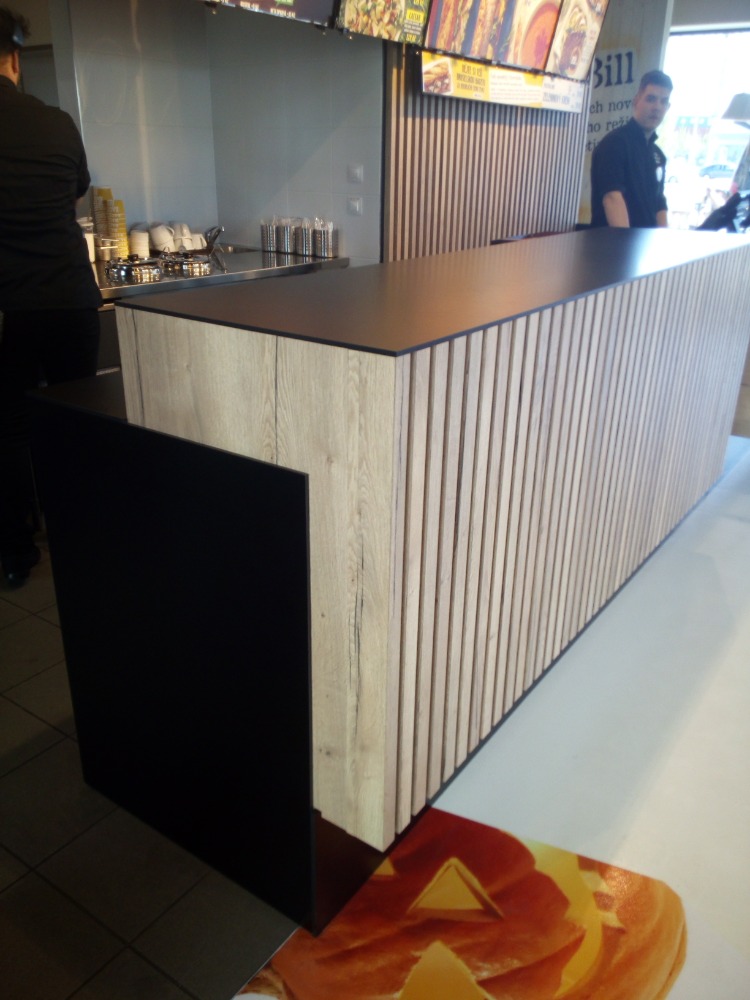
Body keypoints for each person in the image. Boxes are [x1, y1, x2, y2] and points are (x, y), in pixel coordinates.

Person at [0, 7, 102, 587]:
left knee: (10, 430)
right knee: (76, 418)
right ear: (15, 59)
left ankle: (18, 554)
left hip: (10, 308)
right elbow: (77, 192)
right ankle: (84, 537)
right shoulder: (58, 123)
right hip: (71, 297)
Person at [590, 69, 673, 229]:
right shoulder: (615, 144)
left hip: (646, 241)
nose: (657, 107)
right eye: (651, 99)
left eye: (663, 101)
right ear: (636, 101)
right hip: (614, 241)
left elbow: (659, 203)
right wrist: (625, 241)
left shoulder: (658, 155)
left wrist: (664, 240)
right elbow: (612, 198)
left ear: (668, 107)